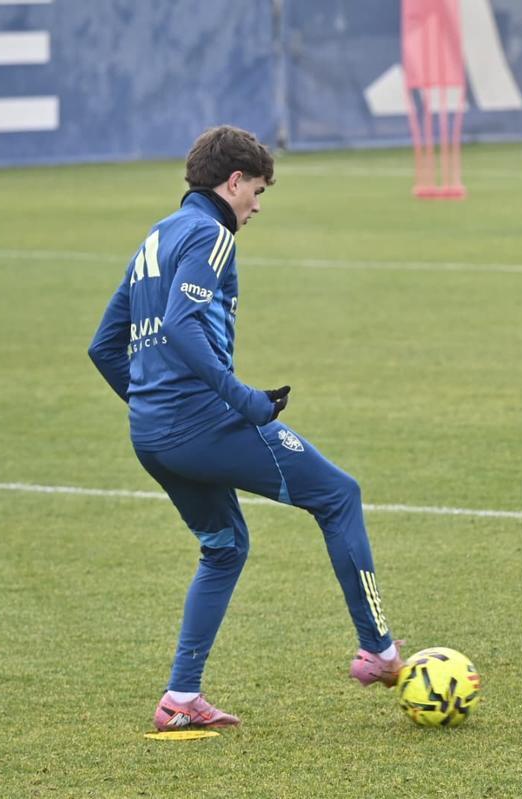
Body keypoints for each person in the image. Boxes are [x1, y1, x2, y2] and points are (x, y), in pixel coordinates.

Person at [88, 126, 404, 731]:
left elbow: (105, 347)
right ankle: (380, 652)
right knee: (339, 495)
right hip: (203, 423)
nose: (257, 206)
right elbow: (182, 326)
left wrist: (150, 407)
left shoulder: (157, 237)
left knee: (225, 547)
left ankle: (181, 698)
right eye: (257, 191)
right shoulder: (212, 234)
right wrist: (245, 402)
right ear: (233, 182)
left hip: (152, 435)